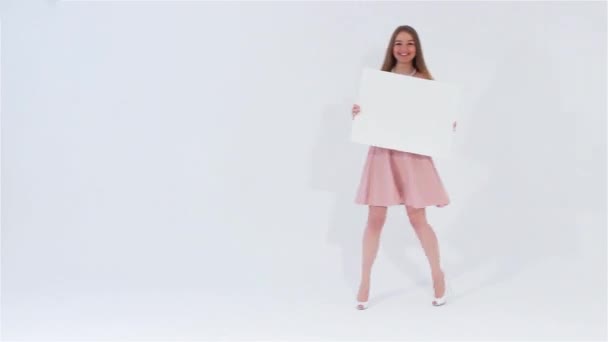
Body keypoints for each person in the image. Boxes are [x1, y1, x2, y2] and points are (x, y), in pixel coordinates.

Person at [351, 25, 456, 310]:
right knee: (375, 217)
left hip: (412, 156)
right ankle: (365, 279)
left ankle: (437, 275)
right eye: (398, 43)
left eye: (410, 43)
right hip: (383, 153)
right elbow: (370, 118)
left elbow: (437, 119)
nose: (404, 48)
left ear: (416, 48)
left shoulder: (423, 80)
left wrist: (447, 125)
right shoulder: (380, 80)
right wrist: (360, 114)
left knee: (417, 218)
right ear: (392, 48)